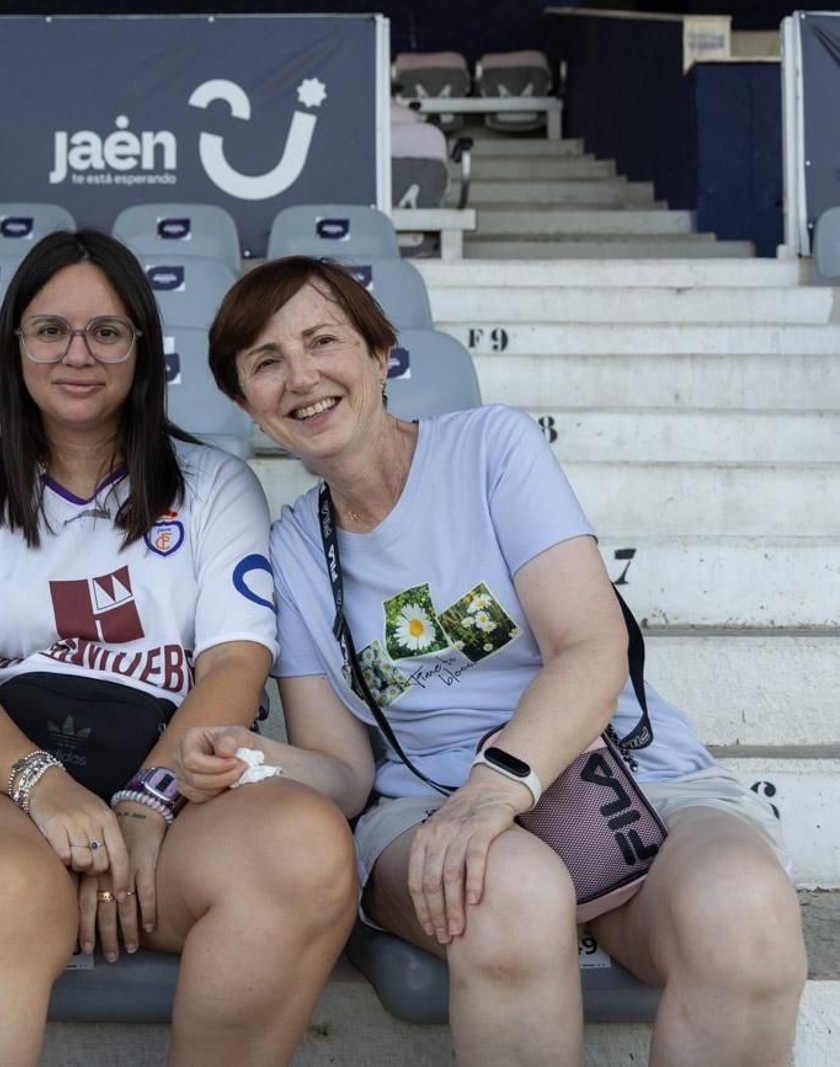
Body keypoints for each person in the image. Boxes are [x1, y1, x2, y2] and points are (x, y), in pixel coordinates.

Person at [188, 255, 806, 1065]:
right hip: (431, 809)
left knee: (745, 911)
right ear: (246, 404)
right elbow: (345, 770)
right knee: (504, 892)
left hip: (617, 775)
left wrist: (498, 789)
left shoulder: (492, 448)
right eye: (266, 362)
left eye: (323, 341)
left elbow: (589, 648)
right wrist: (263, 760)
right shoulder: (294, 547)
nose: (301, 376)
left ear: (380, 354)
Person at [0, 230, 358, 1066]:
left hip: (166, 785)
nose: (77, 353)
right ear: (15, 344)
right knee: (12, 881)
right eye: (50, 329)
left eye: (107, 330)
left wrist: (145, 803)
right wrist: (45, 789)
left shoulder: (214, 483)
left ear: (143, 347)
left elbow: (235, 663)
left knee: (307, 846)